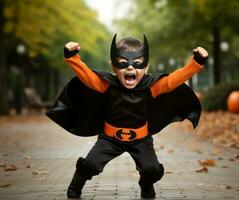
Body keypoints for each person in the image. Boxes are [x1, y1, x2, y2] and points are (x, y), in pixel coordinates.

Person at [46, 34, 208, 199]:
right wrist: (72, 57)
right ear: (114, 67)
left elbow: (174, 79)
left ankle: (145, 184)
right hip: (109, 139)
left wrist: (196, 62)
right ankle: (77, 181)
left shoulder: (151, 87)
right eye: (123, 63)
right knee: (91, 164)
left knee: (151, 169)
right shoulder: (107, 85)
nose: (130, 68)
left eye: (137, 64)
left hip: (141, 139)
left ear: (146, 68)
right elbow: (86, 76)